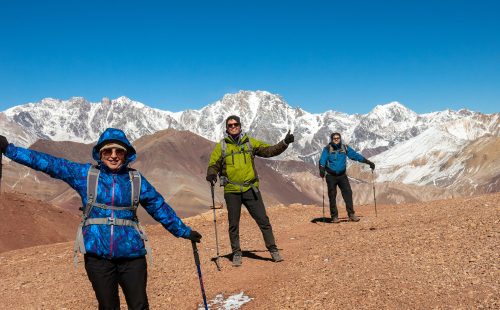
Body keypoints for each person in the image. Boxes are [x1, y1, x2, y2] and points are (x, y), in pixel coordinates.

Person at [0, 128, 202, 310]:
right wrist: (9, 149)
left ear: (126, 154)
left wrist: (183, 231)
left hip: (132, 256)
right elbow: (49, 163)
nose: (113, 156)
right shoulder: (85, 175)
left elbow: (158, 207)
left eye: (118, 151)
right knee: (107, 306)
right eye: (108, 151)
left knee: (139, 305)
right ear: (100, 153)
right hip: (97, 257)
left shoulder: (136, 180)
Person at [206, 115, 294, 267]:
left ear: (240, 126)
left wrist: (285, 143)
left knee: (263, 220)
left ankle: (273, 250)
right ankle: (237, 253)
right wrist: (211, 173)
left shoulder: (250, 142)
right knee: (233, 224)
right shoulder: (222, 146)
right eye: (230, 125)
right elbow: (213, 163)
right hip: (231, 190)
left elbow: (269, 151)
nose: (233, 127)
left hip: (250, 188)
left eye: (235, 124)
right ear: (226, 128)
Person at [319, 132, 375, 223]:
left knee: (348, 193)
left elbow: (355, 156)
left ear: (340, 139)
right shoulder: (327, 149)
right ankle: (334, 217)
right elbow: (322, 159)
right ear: (331, 139)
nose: (336, 139)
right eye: (334, 138)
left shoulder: (344, 148)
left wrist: (368, 162)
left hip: (342, 175)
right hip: (330, 176)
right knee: (332, 196)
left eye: (338, 138)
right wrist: (321, 168)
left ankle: (351, 214)